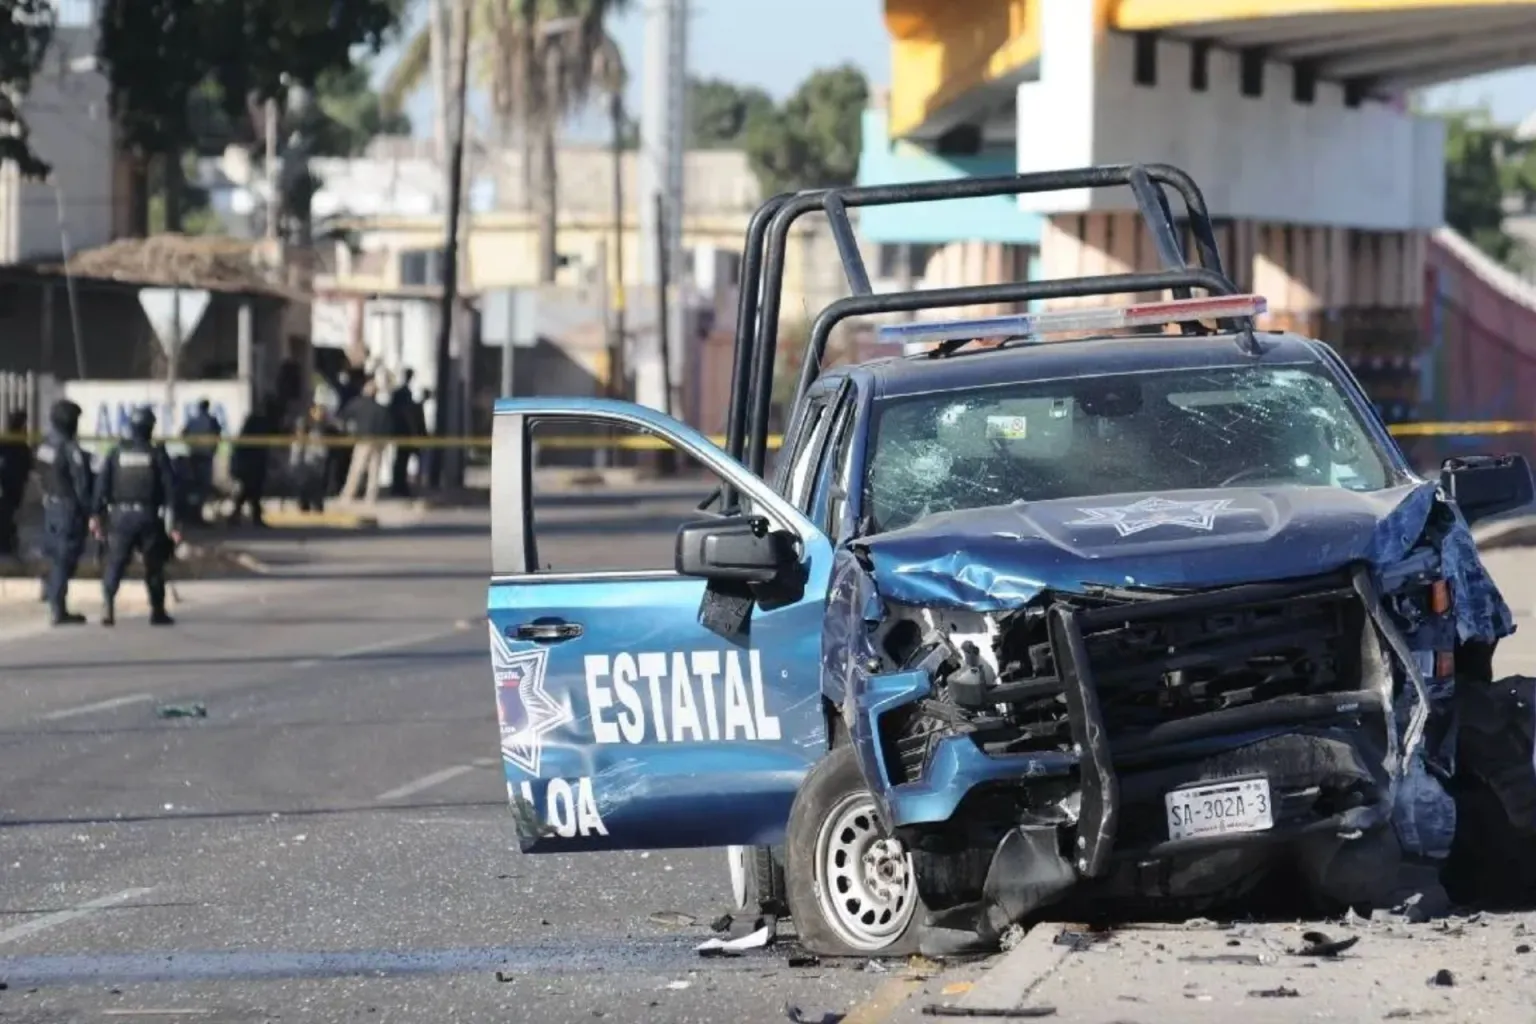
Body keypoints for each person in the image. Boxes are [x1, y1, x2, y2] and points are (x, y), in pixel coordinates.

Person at [91, 406, 180, 627]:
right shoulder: (157, 454)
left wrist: (96, 515)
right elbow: (170, 490)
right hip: (149, 517)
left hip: (120, 517)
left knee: (116, 563)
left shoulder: (116, 453)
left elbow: (101, 487)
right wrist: (174, 525)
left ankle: (108, 604)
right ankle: (157, 610)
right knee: (154, 565)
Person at [33, 399, 93, 626]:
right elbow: (82, 483)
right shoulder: (70, 449)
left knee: (52, 552)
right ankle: (58, 608)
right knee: (64, 558)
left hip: (50, 505)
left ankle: (50, 592)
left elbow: (39, 473)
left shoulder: (45, 445)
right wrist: (90, 511)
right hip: (68, 508)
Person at [339, 380, 389, 504]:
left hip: (362, 440)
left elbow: (343, 417)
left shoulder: (357, 404)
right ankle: (371, 497)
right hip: (378, 442)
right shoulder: (380, 409)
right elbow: (387, 425)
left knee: (357, 468)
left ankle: (348, 495)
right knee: (374, 470)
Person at [229, 397, 276, 527]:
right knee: (250, 491)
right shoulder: (258, 422)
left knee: (251, 492)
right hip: (251, 463)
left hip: (254, 463)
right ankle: (244, 517)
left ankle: (244, 517)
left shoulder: (259, 422)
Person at [181, 398, 223, 525]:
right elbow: (218, 435)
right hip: (205, 456)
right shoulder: (211, 420)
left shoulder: (193, 420)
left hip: (195, 455)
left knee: (194, 487)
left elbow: (183, 433)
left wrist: (191, 446)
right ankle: (197, 516)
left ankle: (193, 515)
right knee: (203, 487)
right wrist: (212, 448)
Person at [0, 410, 32, 557]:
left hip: (13, 488)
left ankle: (8, 544)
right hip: (7, 488)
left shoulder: (20, 446)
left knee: (9, 516)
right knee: (7, 517)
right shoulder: (9, 444)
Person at [388, 368, 419, 498]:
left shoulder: (400, 392)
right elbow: (406, 413)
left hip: (399, 430)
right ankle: (399, 486)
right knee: (402, 460)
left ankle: (399, 485)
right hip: (403, 431)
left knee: (401, 460)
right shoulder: (404, 393)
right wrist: (413, 430)